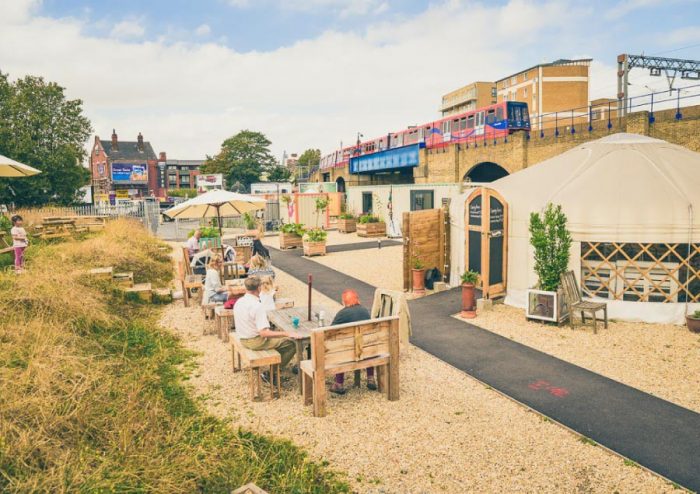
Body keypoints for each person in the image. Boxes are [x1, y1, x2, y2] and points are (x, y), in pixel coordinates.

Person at [234, 276, 302, 374]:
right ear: (259, 288)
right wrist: (287, 333)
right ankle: (272, 373)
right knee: (293, 342)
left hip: (243, 337)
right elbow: (264, 333)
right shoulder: (257, 306)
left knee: (279, 339)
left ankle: (276, 363)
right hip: (255, 341)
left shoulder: (239, 302)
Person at [330, 289, 377, 394]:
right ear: (358, 300)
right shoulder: (365, 311)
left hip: (348, 353)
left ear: (344, 302)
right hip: (367, 351)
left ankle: (339, 384)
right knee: (365, 342)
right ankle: (370, 378)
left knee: (339, 347)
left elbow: (330, 332)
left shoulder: (342, 314)